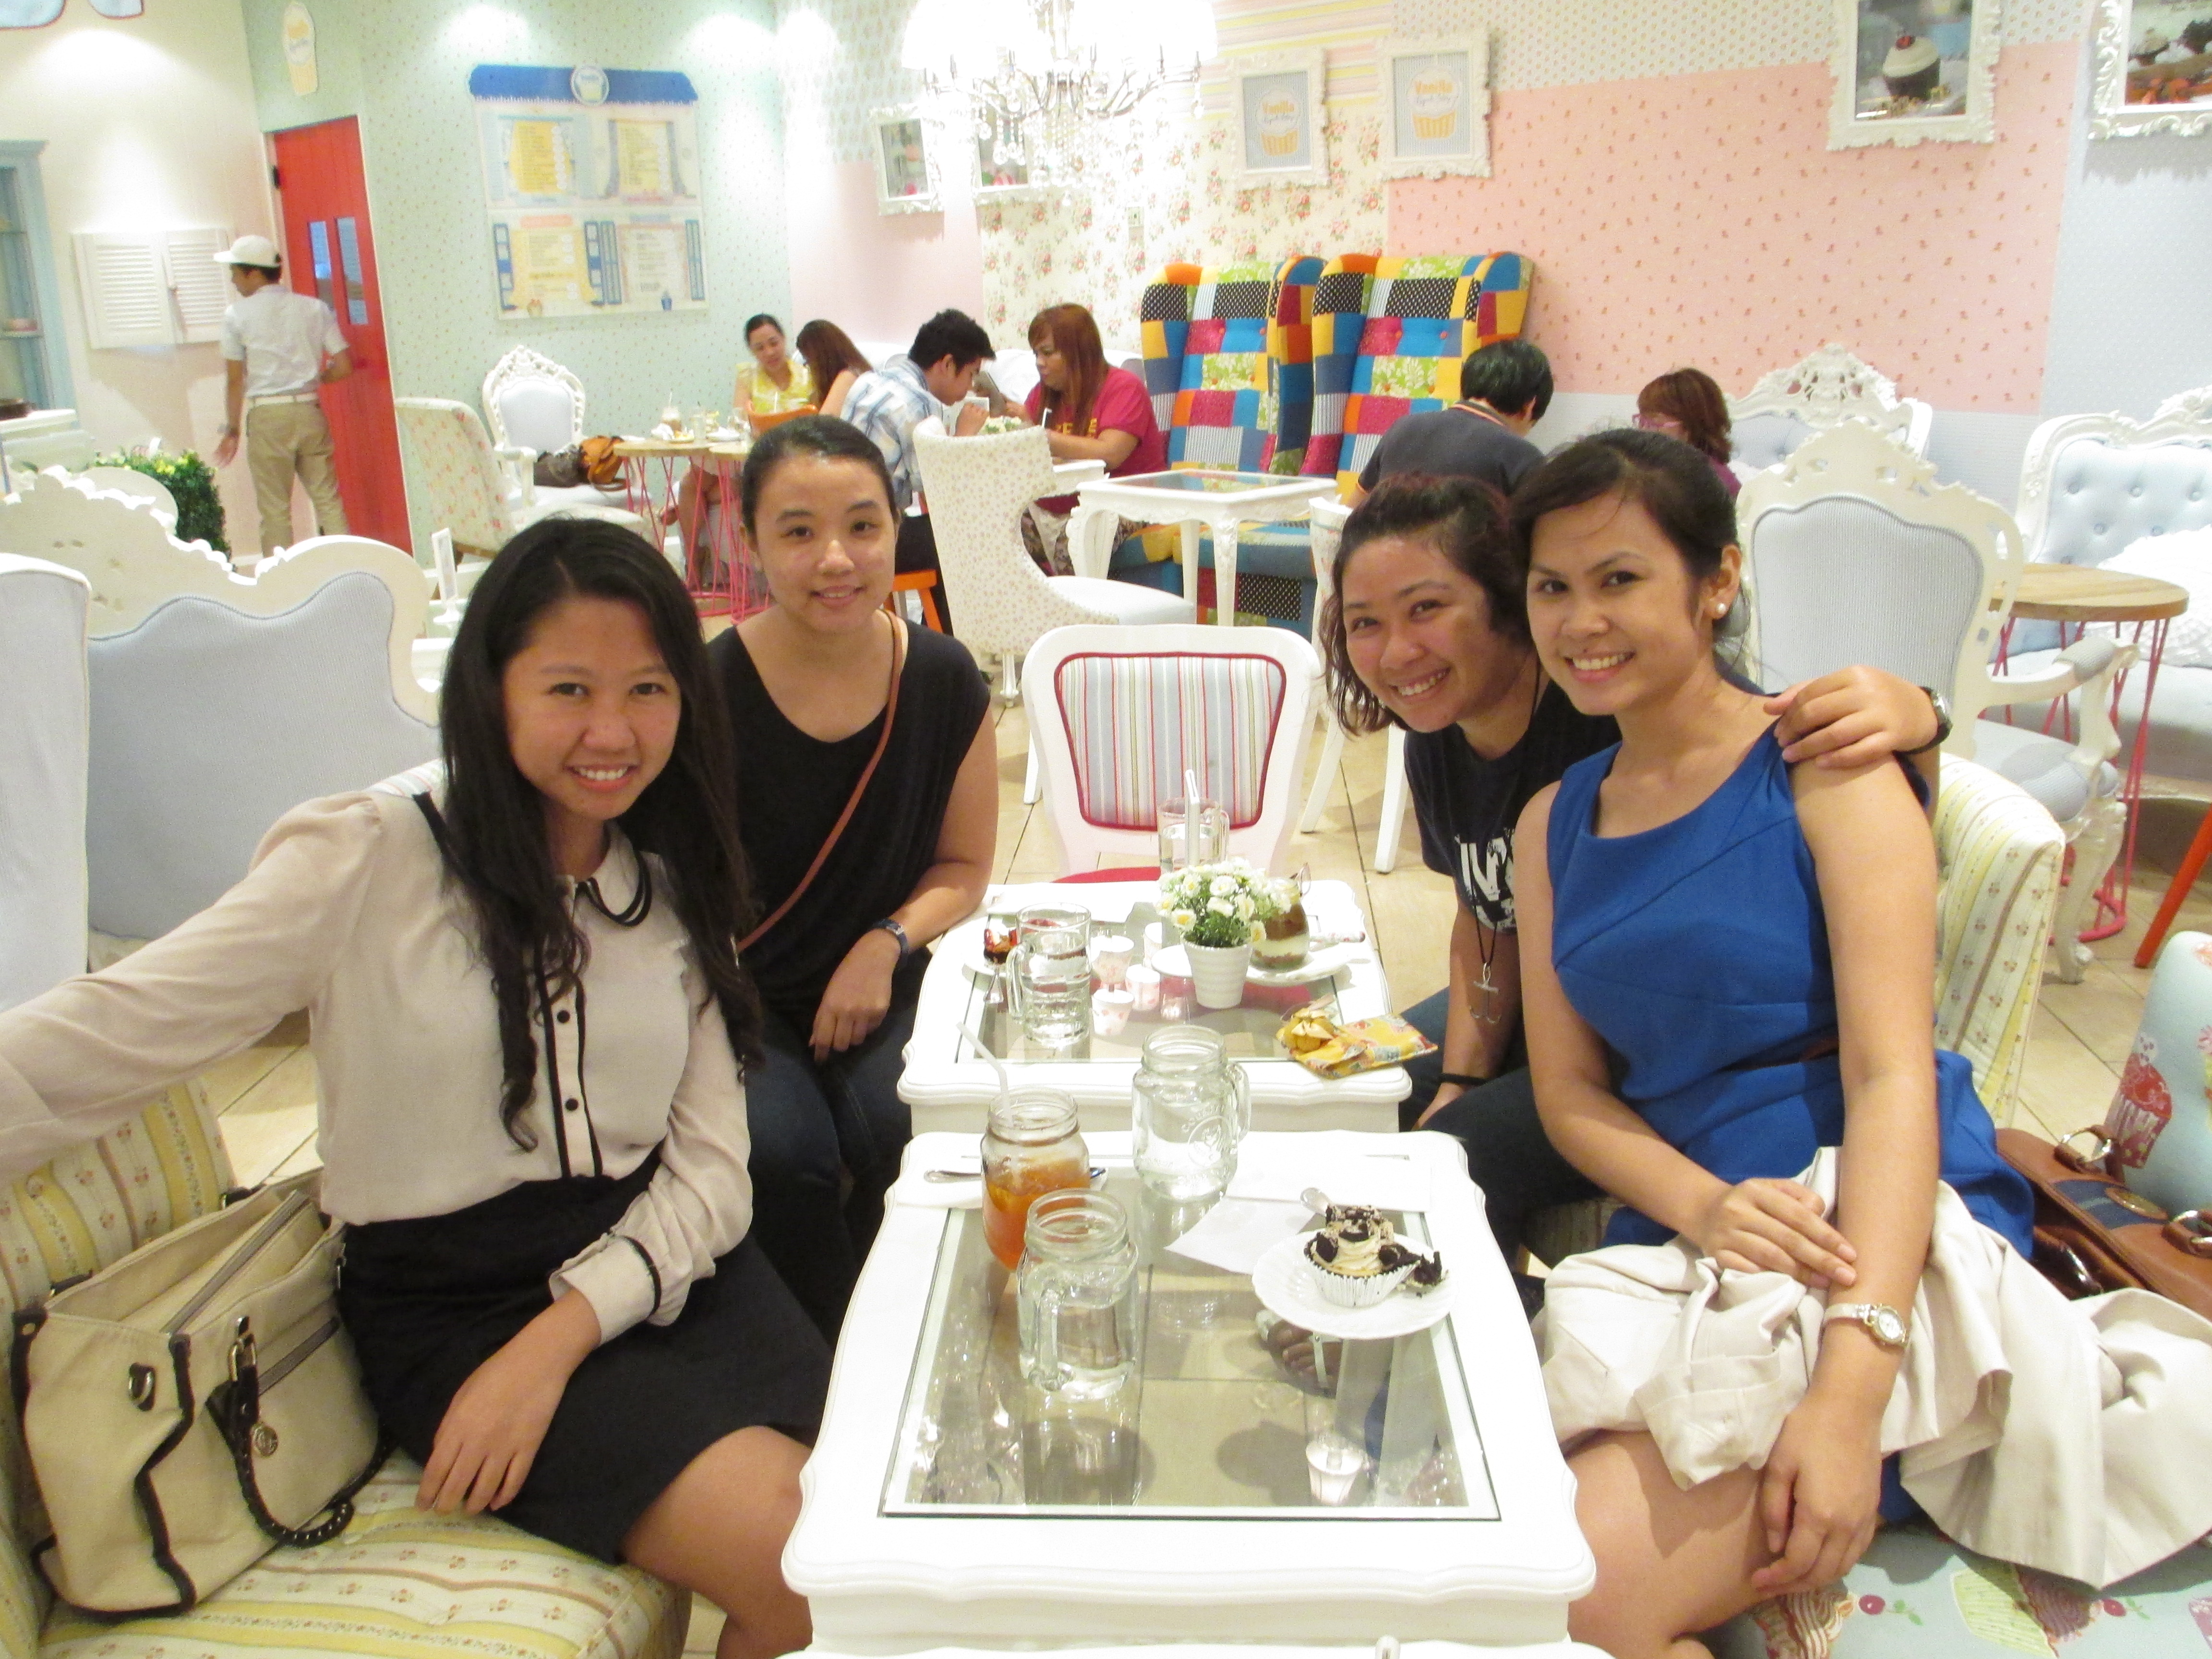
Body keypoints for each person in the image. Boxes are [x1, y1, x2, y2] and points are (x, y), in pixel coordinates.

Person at [0, 517, 830, 1659]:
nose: (613, 731)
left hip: (666, 1267)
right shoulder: (370, 855)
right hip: (455, 1308)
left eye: (648, 689)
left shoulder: (671, 878)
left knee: (870, 1544)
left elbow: (711, 1173)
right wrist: (525, 1350)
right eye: (569, 688)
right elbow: (119, 1029)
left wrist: (559, 1339)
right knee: (803, 1565)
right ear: (491, 691)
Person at [1507, 430, 2036, 1657]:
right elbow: (1571, 1094)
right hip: (1699, 1230)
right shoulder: (1552, 822)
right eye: (1552, 586)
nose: (1582, 621)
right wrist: (1700, 1205)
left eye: (1621, 578)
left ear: (1718, 583)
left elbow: (1893, 1076)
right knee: (1477, 1536)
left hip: (1867, 1230)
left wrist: (1852, 1392)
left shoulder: (1825, 770)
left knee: (1562, 1593)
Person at [1318, 471, 1944, 1286]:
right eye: (1365, 622)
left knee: (1455, 1151)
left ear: (1504, 600)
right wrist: (1464, 1071)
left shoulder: (1605, 708)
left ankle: (1459, 1318)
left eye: (1427, 608)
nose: (1398, 652)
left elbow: (1772, 831)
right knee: (1362, 1087)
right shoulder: (1442, 733)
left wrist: (1923, 719)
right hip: (1544, 1000)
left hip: (1637, 1032)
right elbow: (1484, 919)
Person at [710, 415, 995, 1335]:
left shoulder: (943, 678)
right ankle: (830, 1361)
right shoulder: (705, 690)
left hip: (890, 975)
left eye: (863, 526)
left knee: (907, 1127)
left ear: (897, 527)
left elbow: (964, 866)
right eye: (798, 531)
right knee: (779, 1156)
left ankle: (919, 1334)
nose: (836, 558)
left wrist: (884, 943)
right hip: (744, 994)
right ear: (751, 541)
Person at [842, 308, 994, 630]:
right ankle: (946, 641)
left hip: (842, 528)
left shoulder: (869, 381)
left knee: (941, 533)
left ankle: (934, 634)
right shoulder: (920, 404)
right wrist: (965, 435)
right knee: (961, 537)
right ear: (948, 364)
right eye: (971, 375)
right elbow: (939, 487)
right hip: (877, 537)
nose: (970, 387)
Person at [209, 232, 351, 561]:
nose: (233, 280)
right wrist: (317, 379)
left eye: (235, 272)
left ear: (253, 273)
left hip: (268, 416)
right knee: (328, 500)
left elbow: (235, 380)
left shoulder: (237, 315)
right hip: (310, 411)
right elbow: (344, 365)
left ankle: (281, 578)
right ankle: (349, 568)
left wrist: (231, 429)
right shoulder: (314, 308)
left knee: (275, 509)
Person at [1019, 302, 1165, 574]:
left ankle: (1072, 605)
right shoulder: (1043, 394)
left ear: (1078, 353)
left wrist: (1043, 439)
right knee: (996, 530)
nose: (1039, 362)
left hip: (1126, 505)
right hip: (1054, 505)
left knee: (1075, 542)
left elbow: (1111, 454)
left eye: (1048, 353)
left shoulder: (1124, 388)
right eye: (1036, 353)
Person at [1350, 338, 1552, 504]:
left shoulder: (1403, 427)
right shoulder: (1524, 458)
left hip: (1387, 540)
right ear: (1530, 406)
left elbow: (1351, 509)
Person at [1636, 366, 1740, 499]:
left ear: (1691, 426)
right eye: (1642, 421)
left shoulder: (1713, 482)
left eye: (1654, 423)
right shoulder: (1652, 468)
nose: (1644, 430)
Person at [733, 314, 816, 430]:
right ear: (752, 351)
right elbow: (740, 423)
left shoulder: (808, 376)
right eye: (760, 348)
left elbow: (818, 423)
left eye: (774, 343)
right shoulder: (747, 377)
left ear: (783, 339)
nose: (770, 353)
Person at [795, 319, 872, 421]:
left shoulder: (848, 376)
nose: (809, 367)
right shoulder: (858, 368)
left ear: (820, 359)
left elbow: (824, 426)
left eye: (809, 361)